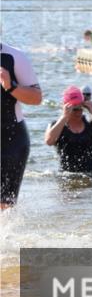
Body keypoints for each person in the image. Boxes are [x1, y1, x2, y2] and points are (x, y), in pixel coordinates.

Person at [1, 42, 43, 209]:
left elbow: (37, 98)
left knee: (4, 210)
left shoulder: (14, 57)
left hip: (9, 141)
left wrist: (11, 86)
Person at [44, 85, 92, 173]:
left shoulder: (91, 122)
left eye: (80, 108)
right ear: (66, 107)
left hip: (91, 176)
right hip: (65, 178)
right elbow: (49, 141)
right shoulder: (57, 125)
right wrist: (64, 117)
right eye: (74, 109)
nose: (78, 112)